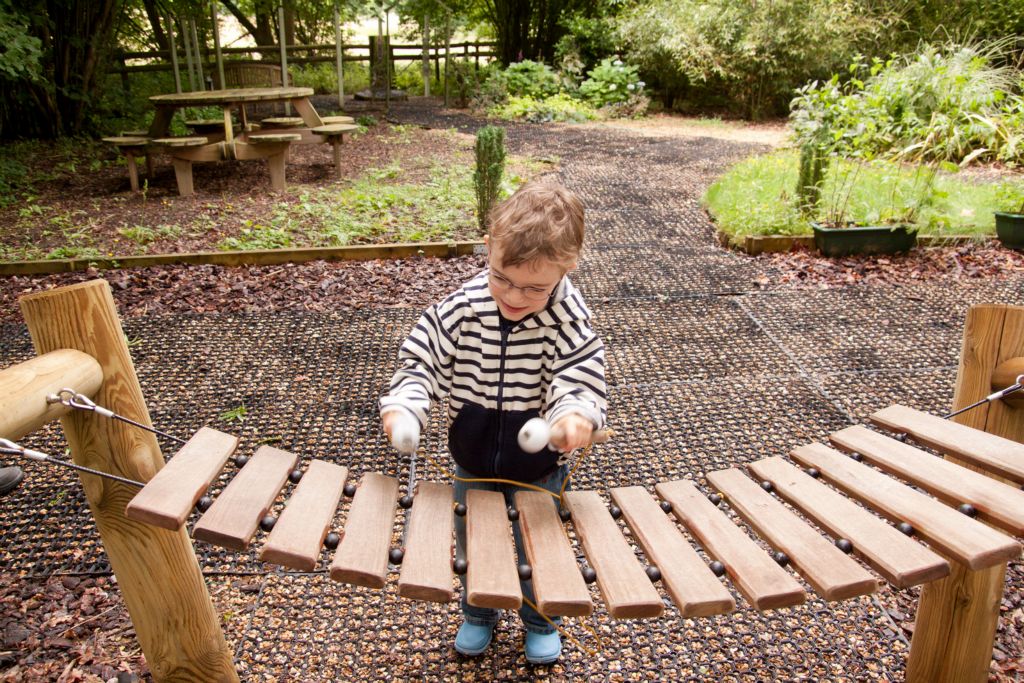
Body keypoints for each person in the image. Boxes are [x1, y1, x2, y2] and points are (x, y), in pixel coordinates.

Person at [380, 178, 607, 665]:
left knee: (535, 549)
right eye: (502, 277)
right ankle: (479, 612)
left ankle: (539, 619)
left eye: (534, 288)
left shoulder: (569, 318)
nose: (515, 296)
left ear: (568, 267)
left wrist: (573, 415)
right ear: (489, 249)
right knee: (475, 542)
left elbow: (579, 377)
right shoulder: (463, 308)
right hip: (475, 459)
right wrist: (406, 405)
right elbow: (421, 362)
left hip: (541, 467)